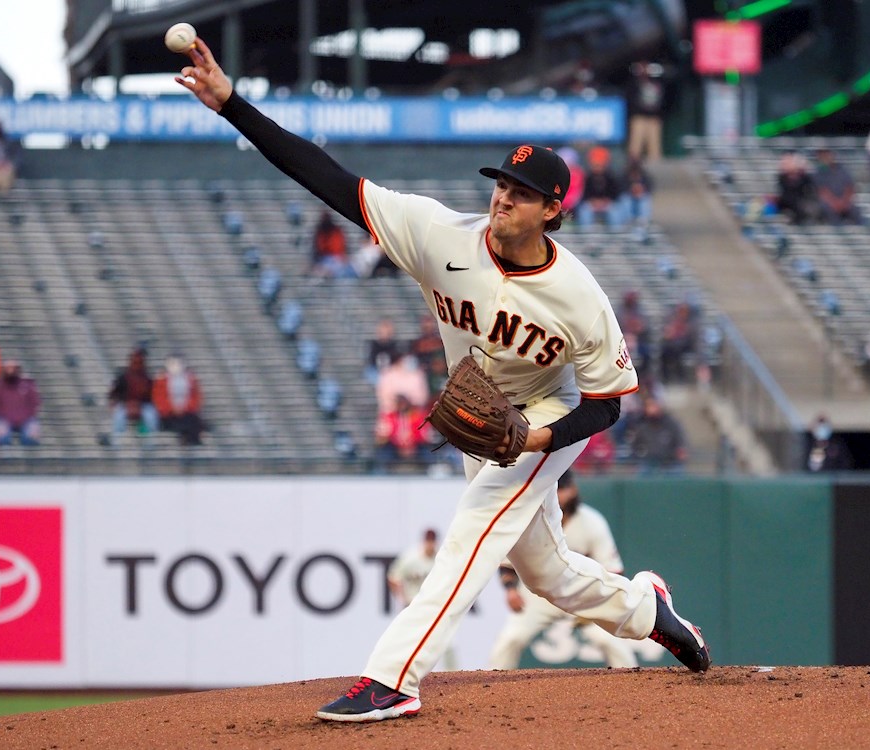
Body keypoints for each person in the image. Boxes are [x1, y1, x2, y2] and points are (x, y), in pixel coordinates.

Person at [175, 36, 709, 723]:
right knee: (545, 573)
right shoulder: (439, 233)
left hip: (548, 412)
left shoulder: (580, 298)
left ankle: (394, 677)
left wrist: (541, 436)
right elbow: (327, 177)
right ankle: (647, 609)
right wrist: (232, 105)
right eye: (501, 185)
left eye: (521, 194)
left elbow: (607, 406)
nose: (503, 199)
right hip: (480, 411)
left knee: (473, 530)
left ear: (552, 209)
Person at [489, 471, 638, 670]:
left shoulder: (591, 521)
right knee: (511, 639)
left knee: (609, 641)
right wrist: (510, 590)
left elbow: (613, 570)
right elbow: (507, 565)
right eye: (554, 489)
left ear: (573, 491)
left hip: (580, 594)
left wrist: (598, 602)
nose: (557, 494)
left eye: (562, 489)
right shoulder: (531, 520)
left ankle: (634, 688)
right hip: (537, 595)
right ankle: (490, 691)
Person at [388, 529, 457, 670]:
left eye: (432, 541)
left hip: (434, 607)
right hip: (413, 606)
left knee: (448, 644)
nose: (430, 544)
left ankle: (454, 677)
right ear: (424, 541)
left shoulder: (441, 558)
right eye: (428, 541)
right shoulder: (411, 558)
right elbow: (393, 577)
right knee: (408, 644)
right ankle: (400, 675)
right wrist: (402, 597)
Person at [625, 394, 688, 474]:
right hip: (650, 462)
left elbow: (680, 441)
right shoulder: (642, 427)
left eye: (653, 405)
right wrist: (634, 460)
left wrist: (680, 451)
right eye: (648, 406)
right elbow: (634, 446)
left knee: (677, 472)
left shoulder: (671, 423)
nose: (652, 409)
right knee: (642, 472)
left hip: (670, 462)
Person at [152, 353, 206, 445]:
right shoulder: (161, 380)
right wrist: (172, 409)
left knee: (193, 421)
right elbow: (158, 398)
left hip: (186, 412)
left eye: (179, 363)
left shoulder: (190, 379)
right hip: (168, 414)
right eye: (173, 364)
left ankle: (192, 442)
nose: (176, 366)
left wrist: (185, 408)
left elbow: (196, 396)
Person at [108, 346, 160, 442]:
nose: (137, 362)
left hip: (143, 405)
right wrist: (114, 402)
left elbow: (152, 395)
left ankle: (150, 442)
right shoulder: (123, 377)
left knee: (150, 415)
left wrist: (142, 404)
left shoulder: (147, 378)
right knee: (119, 416)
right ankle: (118, 441)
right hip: (125, 404)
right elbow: (114, 392)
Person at [625, 60, 668, 164]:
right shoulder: (634, 83)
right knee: (635, 145)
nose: (645, 71)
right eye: (642, 68)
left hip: (653, 118)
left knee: (654, 146)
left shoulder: (657, 83)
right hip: (639, 117)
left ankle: (655, 168)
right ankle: (633, 167)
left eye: (647, 68)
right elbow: (630, 99)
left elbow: (663, 99)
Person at [0, 360, 41, 446]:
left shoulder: (27, 385)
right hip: (4, 419)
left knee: (31, 439)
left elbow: (35, 402)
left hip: (26, 419)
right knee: (1, 438)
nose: (10, 371)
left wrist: (28, 415)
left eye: (12, 368)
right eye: (8, 368)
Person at [576, 145, 624, 229]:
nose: (597, 167)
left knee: (615, 211)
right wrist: (593, 201)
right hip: (591, 204)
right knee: (584, 211)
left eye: (599, 164)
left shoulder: (612, 177)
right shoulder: (587, 177)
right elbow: (583, 195)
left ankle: (616, 238)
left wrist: (605, 201)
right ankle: (587, 237)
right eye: (595, 164)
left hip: (607, 204)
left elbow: (616, 194)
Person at [813, 148, 863, 225]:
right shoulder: (818, 173)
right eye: (822, 155)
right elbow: (822, 191)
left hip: (844, 201)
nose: (825, 157)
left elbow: (850, 187)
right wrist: (835, 204)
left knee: (855, 209)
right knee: (825, 208)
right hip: (829, 203)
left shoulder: (843, 170)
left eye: (826, 154)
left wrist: (844, 202)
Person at [307, 209, 356, 279]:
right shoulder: (319, 232)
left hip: (337, 259)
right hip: (324, 260)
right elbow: (318, 249)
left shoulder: (337, 231)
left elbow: (341, 248)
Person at [775, 151, 819, 225]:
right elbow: (785, 194)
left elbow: (808, 192)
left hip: (802, 203)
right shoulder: (782, 178)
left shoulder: (805, 178)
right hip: (788, 205)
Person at [364, 317, 402, 385]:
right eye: (383, 332)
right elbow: (371, 361)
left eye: (387, 332)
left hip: (391, 371)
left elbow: (397, 361)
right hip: (375, 370)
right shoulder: (373, 345)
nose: (385, 334)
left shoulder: (395, 346)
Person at [0, 121, 19, 197]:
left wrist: (7, 164)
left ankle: (4, 194)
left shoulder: (9, 142)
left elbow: (16, 158)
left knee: (7, 171)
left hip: (4, 169)